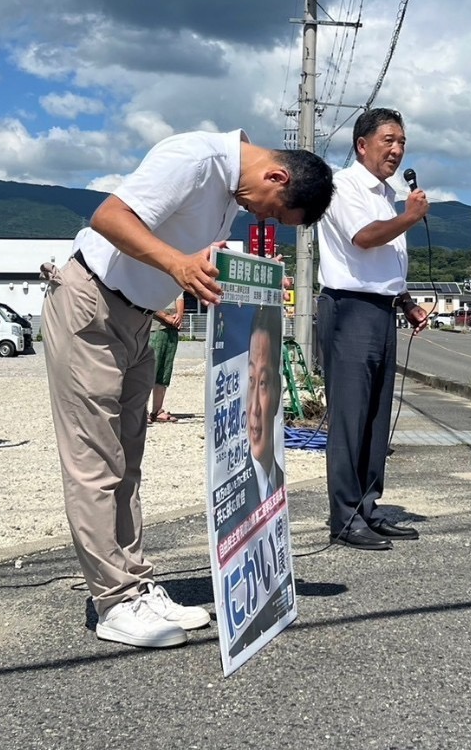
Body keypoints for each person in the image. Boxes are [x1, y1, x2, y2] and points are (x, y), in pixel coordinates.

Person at [41, 130, 333, 649]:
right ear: (276, 176)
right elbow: (108, 216)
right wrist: (177, 264)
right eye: (273, 212)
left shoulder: (229, 186)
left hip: (134, 317)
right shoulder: (196, 159)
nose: (263, 220)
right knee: (95, 461)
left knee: (127, 460)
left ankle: (134, 584)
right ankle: (114, 602)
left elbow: (178, 246)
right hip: (93, 305)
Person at [316, 107, 429, 550]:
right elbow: (364, 239)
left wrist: (405, 302)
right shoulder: (343, 186)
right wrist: (409, 217)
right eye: (388, 140)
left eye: (401, 142)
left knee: (376, 416)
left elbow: (382, 262)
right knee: (350, 417)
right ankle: (344, 517)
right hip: (348, 308)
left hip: (381, 308)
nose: (397, 150)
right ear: (361, 144)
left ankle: (368, 507)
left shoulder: (385, 194)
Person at [246, 304, 284, 501]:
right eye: (251, 380)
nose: (255, 409)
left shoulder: (280, 480)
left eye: (263, 383)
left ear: (277, 392)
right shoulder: (235, 493)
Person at [147, 298, 185, 423]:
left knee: (165, 370)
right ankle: (140, 410)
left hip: (171, 328)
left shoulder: (177, 280)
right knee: (148, 370)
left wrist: (179, 315)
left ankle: (157, 410)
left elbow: (180, 297)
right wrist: (165, 316)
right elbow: (145, 299)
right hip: (154, 327)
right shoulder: (150, 278)